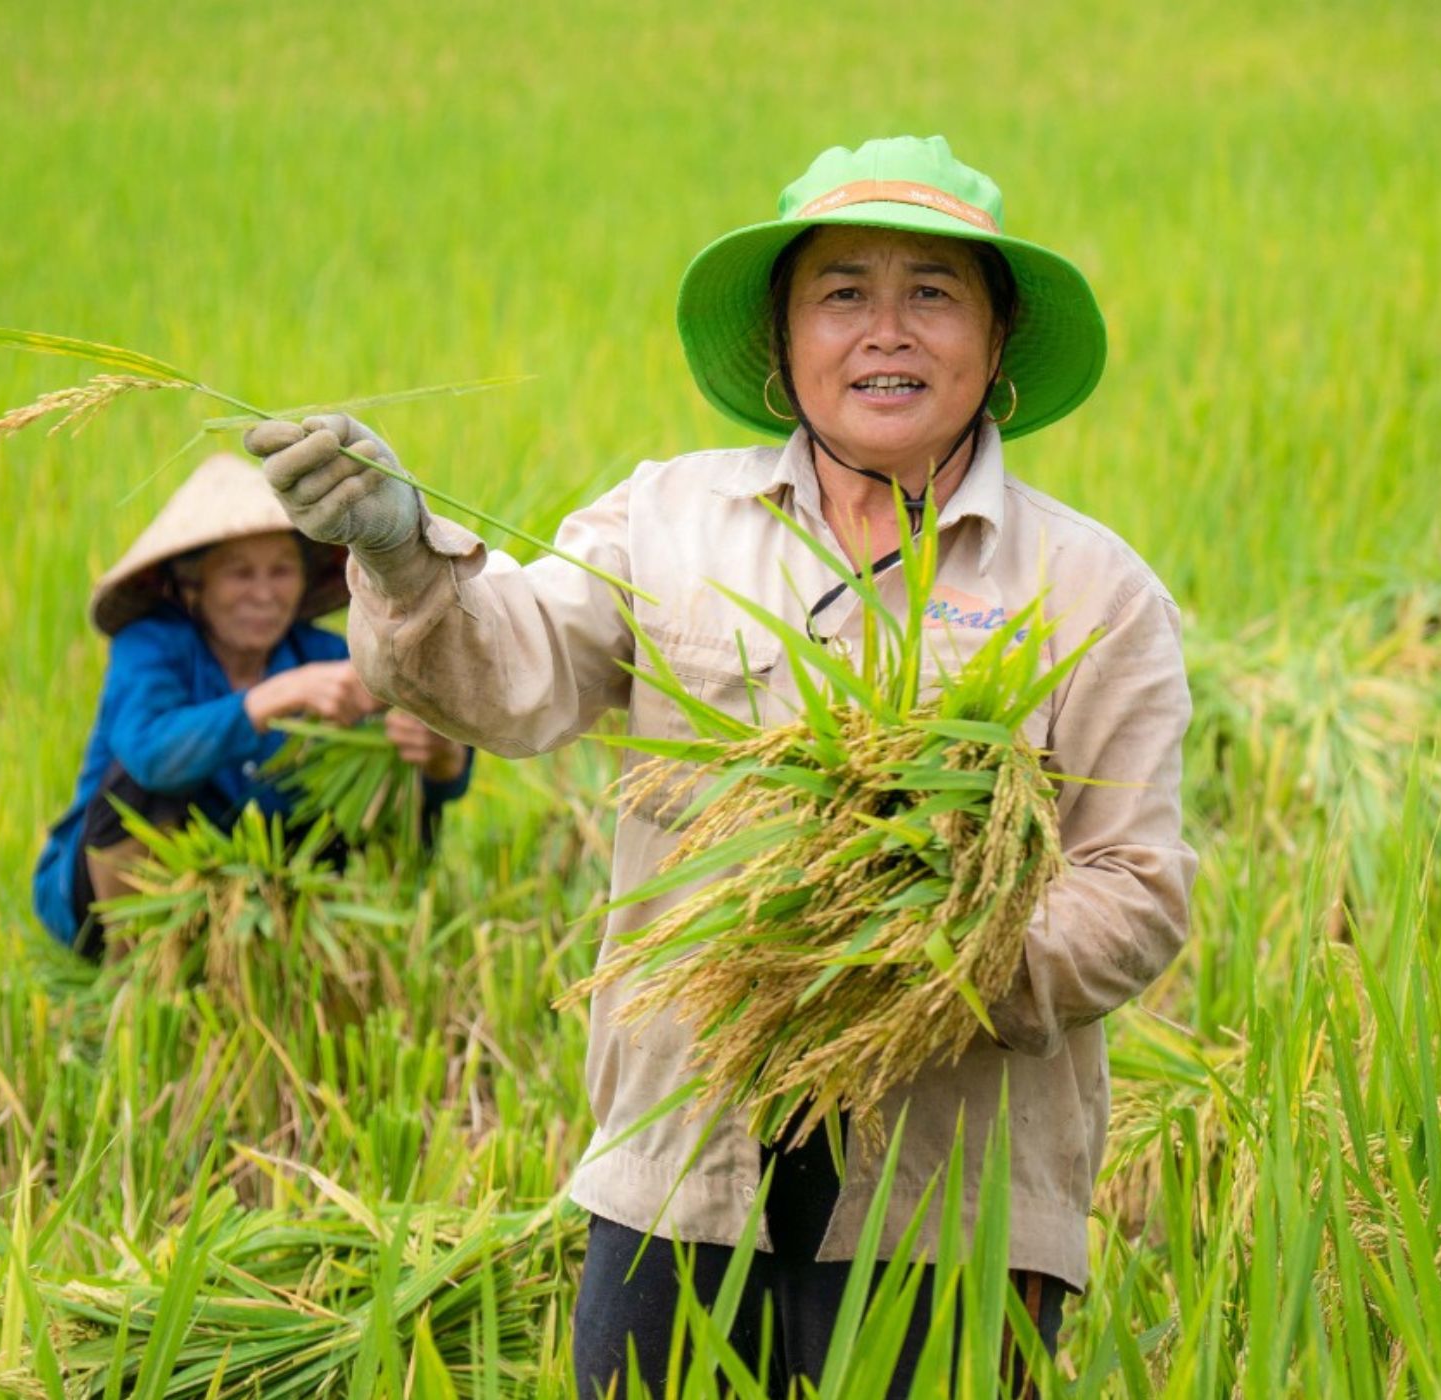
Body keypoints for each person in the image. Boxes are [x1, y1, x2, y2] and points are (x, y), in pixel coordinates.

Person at [247, 135, 1196, 1396]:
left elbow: (1135, 883)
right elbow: (507, 672)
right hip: (679, 1167)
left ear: (997, 340)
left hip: (948, 1202)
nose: (885, 331)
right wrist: (402, 554)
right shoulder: (668, 521)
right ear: (784, 338)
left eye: (933, 292)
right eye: (842, 291)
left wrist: (929, 959)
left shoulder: (1090, 591)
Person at [32, 452, 473, 957]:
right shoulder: (150, 646)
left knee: (387, 772)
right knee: (135, 790)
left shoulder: (324, 655)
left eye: (281, 571)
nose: (264, 594)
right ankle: (141, 972)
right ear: (194, 585)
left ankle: (363, 946)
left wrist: (441, 756)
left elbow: (435, 759)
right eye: (240, 574)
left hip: (269, 875)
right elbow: (152, 756)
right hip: (119, 894)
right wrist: (270, 698)